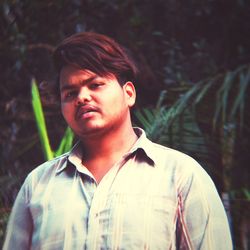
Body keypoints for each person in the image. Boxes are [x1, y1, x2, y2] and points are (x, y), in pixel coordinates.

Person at [3, 32, 232, 250]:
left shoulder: (181, 176)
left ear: (129, 93)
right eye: (70, 94)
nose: (82, 97)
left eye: (95, 85)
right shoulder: (38, 186)